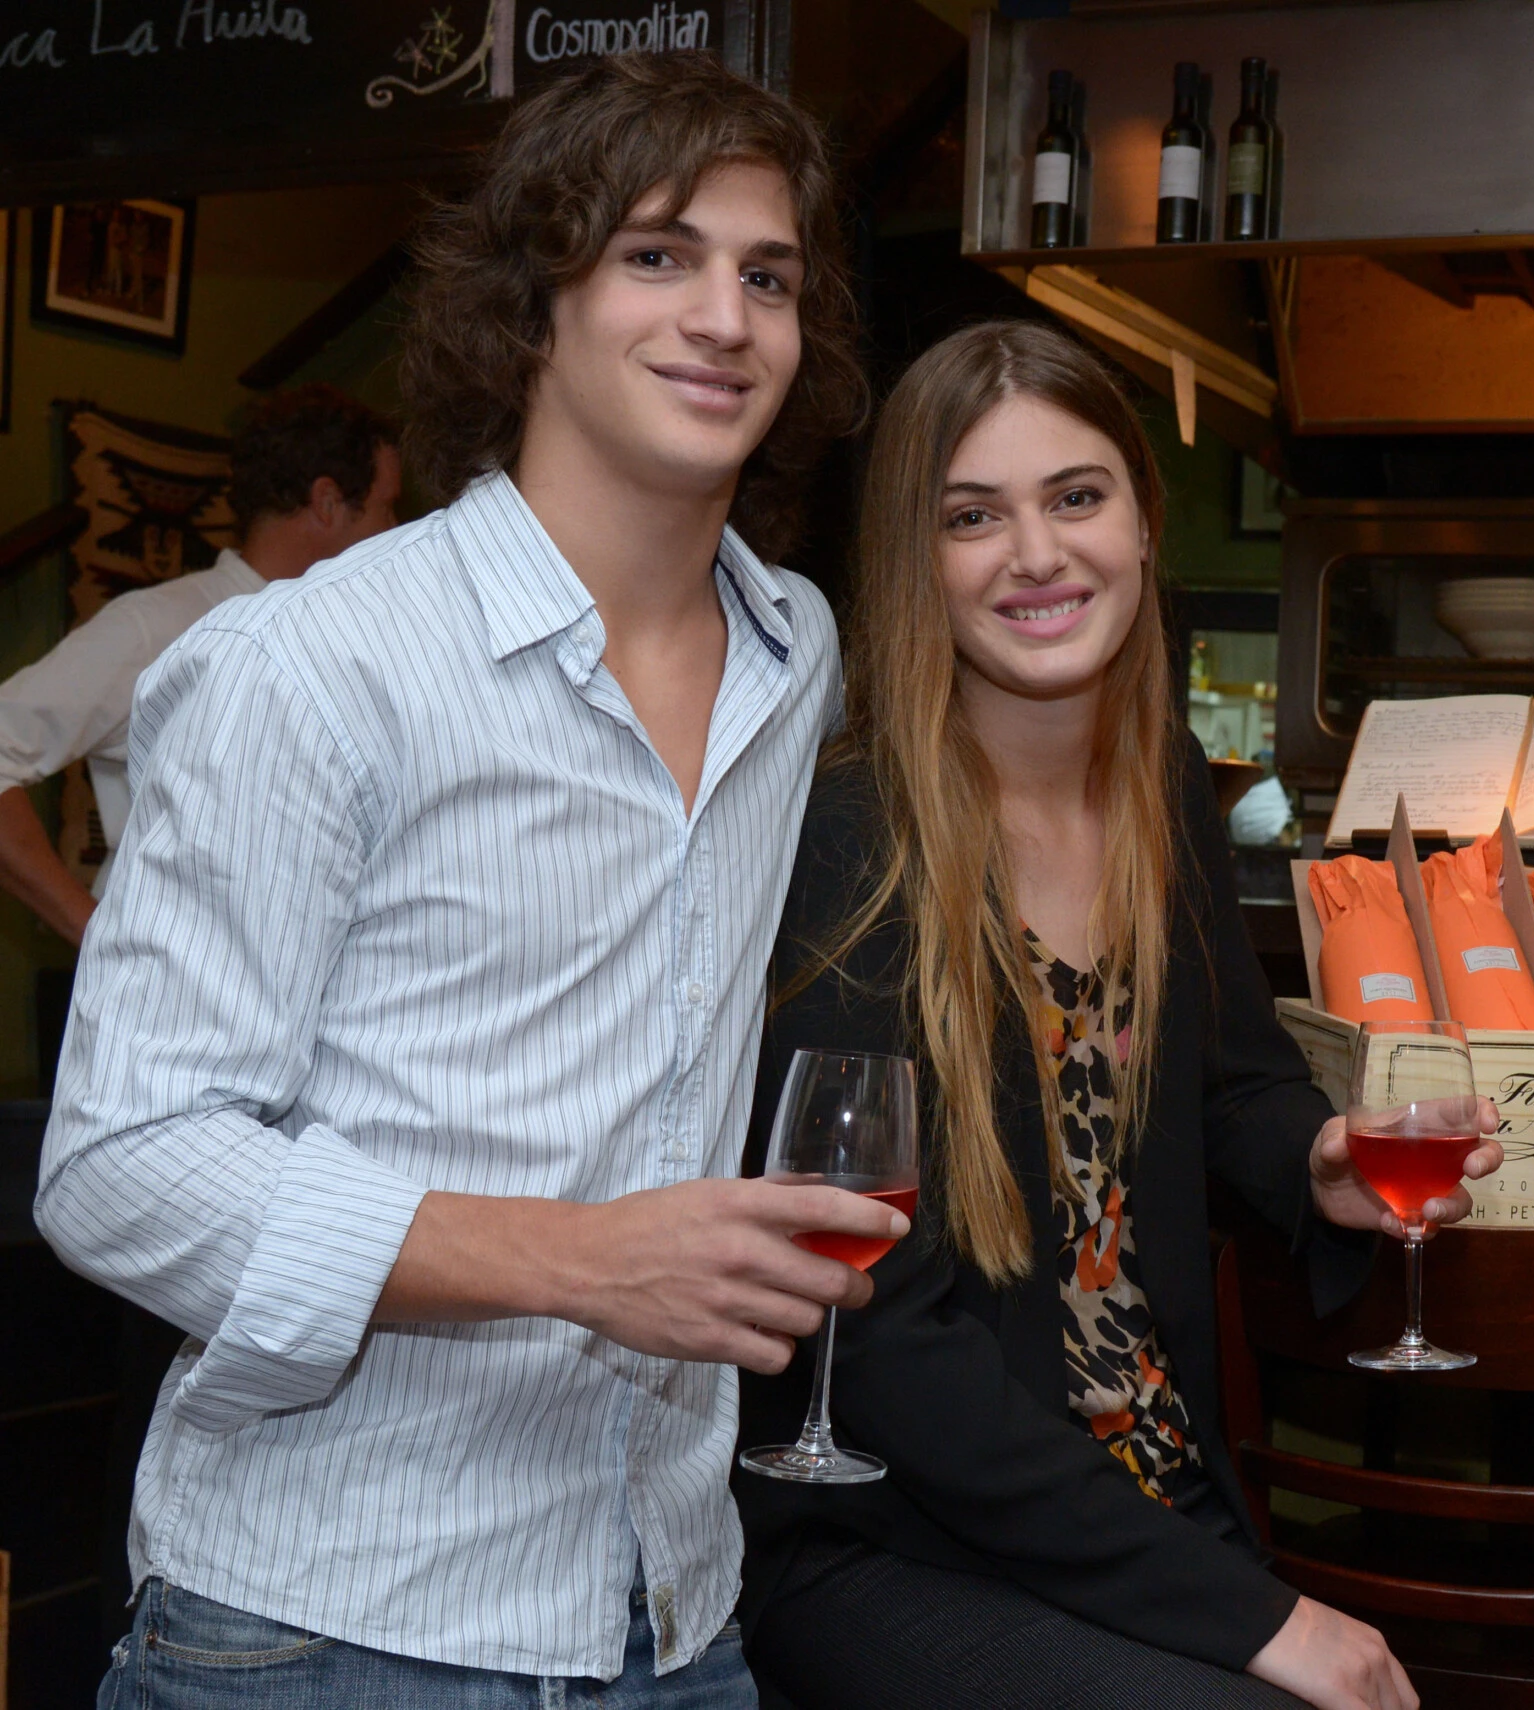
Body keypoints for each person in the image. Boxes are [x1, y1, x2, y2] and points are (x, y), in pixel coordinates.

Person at [39, 52, 895, 1709]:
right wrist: (583, 1261)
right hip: (330, 1625)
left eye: (768, 274)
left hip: (676, 1611)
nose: (726, 313)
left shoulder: (795, 652)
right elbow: (123, 1166)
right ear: (534, 305)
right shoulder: (313, 664)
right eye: (659, 254)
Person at [734, 319, 1502, 1710]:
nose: (1036, 555)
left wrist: (1321, 1162)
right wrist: (1263, 1617)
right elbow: (885, 1340)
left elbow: (1235, 1088)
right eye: (974, 516)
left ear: (1145, 524)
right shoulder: (853, 833)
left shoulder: (1163, 780)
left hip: (1146, 1486)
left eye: (1075, 497)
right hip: (905, 1538)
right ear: (919, 559)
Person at [0, 384, 400, 943]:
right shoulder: (155, 627)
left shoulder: (366, 648)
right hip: (161, 1006)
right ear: (328, 503)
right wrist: (96, 937)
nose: (395, 534)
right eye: (386, 509)